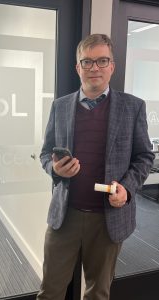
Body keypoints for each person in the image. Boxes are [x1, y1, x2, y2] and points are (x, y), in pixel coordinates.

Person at [37, 33, 154, 300]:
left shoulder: (132, 107)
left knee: (98, 293)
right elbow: (45, 153)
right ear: (78, 67)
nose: (95, 68)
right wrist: (55, 169)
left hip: (108, 218)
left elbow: (144, 157)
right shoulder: (61, 106)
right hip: (64, 215)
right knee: (50, 292)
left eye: (102, 61)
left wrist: (126, 188)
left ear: (112, 65)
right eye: (87, 62)